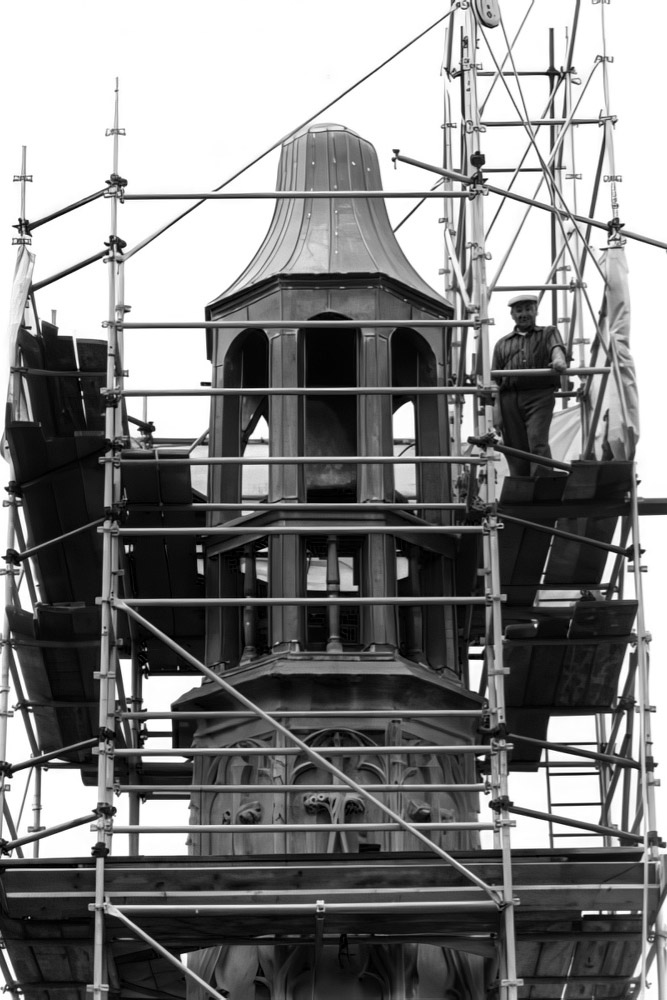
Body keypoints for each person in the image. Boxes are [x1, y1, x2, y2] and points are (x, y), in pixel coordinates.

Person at [491, 294, 568, 476]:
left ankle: (543, 484)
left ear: (536, 311)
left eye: (528, 309)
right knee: (514, 446)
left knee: (537, 440)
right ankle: (521, 484)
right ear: (512, 315)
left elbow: (556, 349)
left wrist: (559, 360)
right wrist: (496, 412)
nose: (523, 314)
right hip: (509, 398)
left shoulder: (548, 333)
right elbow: (494, 379)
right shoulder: (502, 344)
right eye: (519, 310)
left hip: (539, 395)